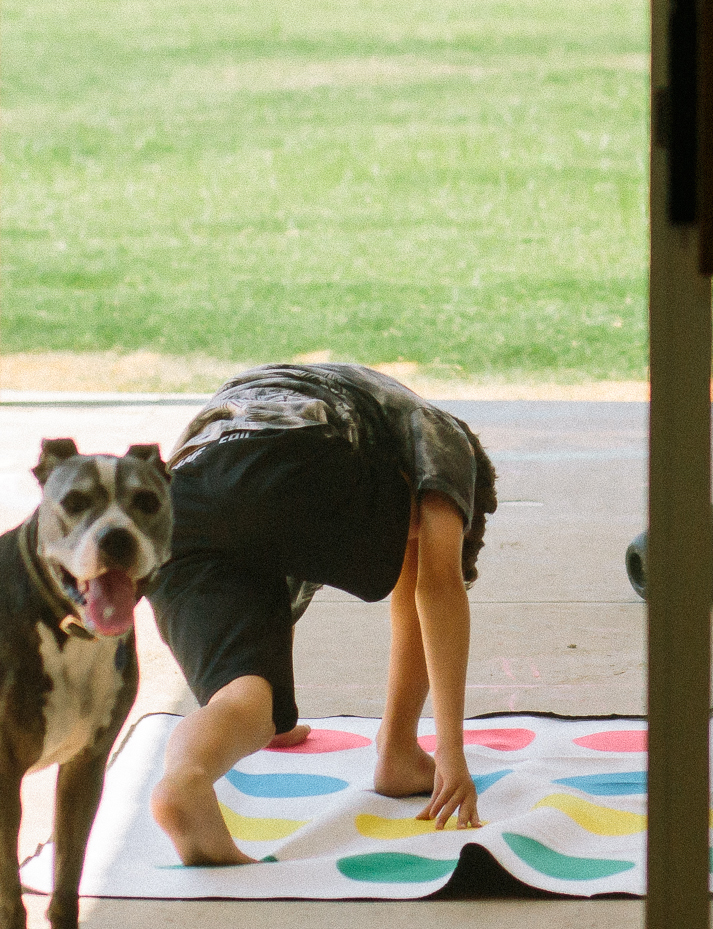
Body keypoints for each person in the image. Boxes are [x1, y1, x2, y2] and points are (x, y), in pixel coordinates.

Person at [146, 362, 497, 865]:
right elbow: (435, 586)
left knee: (246, 704)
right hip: (295, 452)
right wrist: (452, 755)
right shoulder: (444, 435)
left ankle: (186, 779)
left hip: (177, 503)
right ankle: (398, 748)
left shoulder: (342, 420)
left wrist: (278, 712)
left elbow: (257, 524)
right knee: (423, 557)